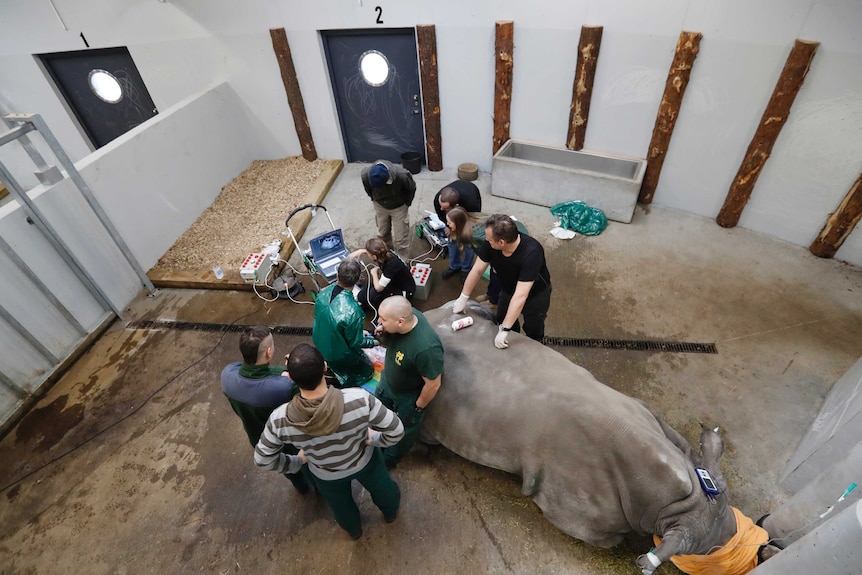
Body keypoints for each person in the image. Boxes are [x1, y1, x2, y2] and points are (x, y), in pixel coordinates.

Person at [254, 343, 404, 540]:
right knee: (383, 489)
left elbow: (263, 460)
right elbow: (397, 431)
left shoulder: (280, 419)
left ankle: (354, 531)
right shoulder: (359, 399)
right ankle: (390, 514)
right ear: (325, 367)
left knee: (340, 505)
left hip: (325, 473)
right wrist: (373, 439)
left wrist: (296, 462)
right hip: (364, 461)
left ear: (290, 377)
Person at [221, 325, 310, 494]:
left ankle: (301, 488)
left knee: (288, 469)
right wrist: (290, 373)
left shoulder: (227, 375)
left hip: (258, 438)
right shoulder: (284, 387)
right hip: (288, 439)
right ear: (269, 352)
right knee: (302, 463)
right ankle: (316, 487)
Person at [454, 214, 552, 348]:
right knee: (502, 316)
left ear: (501, 242)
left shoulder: (532, 253)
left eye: (489, 240)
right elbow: (477, 270)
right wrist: (463, 297)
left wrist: (504, 329)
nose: (486, 241)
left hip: (535, 294)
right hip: (508, 287)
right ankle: (511, 335)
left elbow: (521, 295)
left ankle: (535, 346)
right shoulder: (491, 244)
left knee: (533, 326)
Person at [373, 295, 444, 469]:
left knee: (402, 432)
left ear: (400, 321)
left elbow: (433, 384)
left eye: (383, 320)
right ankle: (378, 441)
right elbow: (392, 342)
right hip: (387, 382)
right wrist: (383, 335)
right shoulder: (403, 322)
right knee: (378, 414)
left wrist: (417, 407)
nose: (378, 322)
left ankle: (389, 460)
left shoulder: (426, 348)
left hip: (407, 396)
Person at [311, 258, 377, 388]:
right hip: (338, 354)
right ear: (358, 279)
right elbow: (355, 343)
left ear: (337, 275)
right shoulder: (353, 311)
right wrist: (372, 342)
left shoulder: (323, 293)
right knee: (366, 371)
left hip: (319, 342)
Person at [361, 160, 416, 255]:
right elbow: (368, 189)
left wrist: (407, 203)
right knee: (383, 233)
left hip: (399, 207)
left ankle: (402, 262)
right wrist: (374, 199)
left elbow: (411, 188)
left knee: (401, 239)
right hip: (380, 205)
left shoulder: (402, 175)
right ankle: (386, 255)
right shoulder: (365, 174)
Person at [350, 237, 416, 311]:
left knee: (371, 296)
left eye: (368, 253)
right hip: (394, 283)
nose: (367, 254)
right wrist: (361, 251)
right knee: (363, 294)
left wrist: (374, 274)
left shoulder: (391, 265)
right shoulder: (385, 252)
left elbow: (379, 288)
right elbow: (376, 252)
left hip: (405, 291)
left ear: (374, 257)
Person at [441, 207, 483, 282]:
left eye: (450, 222)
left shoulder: (474, 236)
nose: (447, 224)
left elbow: (483, 255)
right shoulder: (464, 220)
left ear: (458, 223)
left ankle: (466, 269)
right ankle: (455, 266)